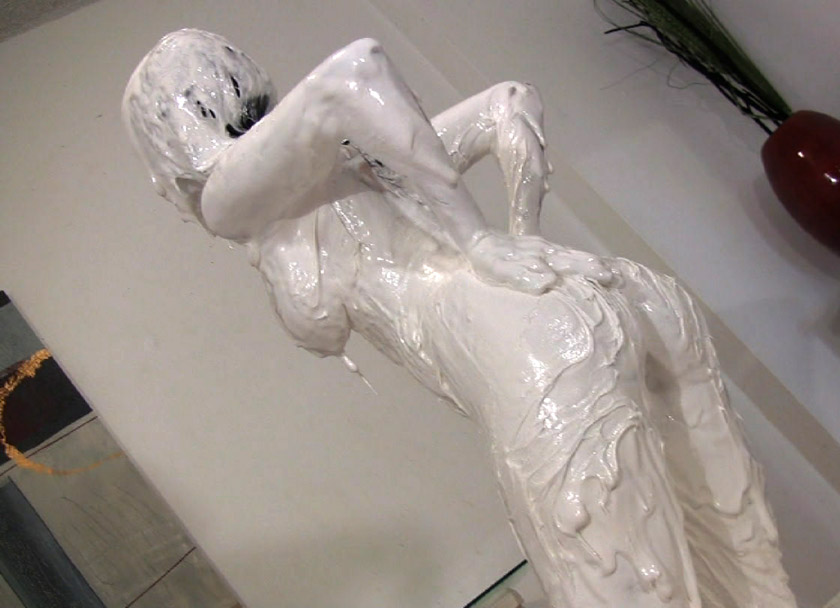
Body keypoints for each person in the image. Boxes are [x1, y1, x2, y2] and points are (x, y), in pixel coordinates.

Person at [123, 29, 796, 608]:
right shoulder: (355, 163)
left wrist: (480, 241)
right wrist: (520, 235)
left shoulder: (228, 200)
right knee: (744, 565)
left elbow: (354, 72)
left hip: (535, 358)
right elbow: (509, 102)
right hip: (617, 293)